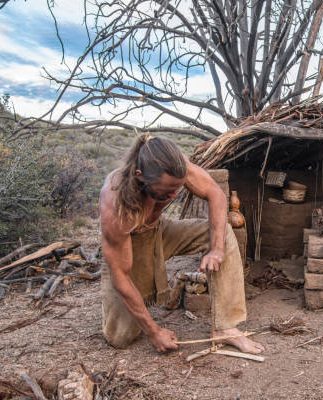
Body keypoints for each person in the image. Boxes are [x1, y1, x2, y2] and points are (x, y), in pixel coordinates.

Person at [99, 134, 264, 354]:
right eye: (167, 192)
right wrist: (154, 331)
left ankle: (225, 327)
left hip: (161, 231)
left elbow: (216, 194)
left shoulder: (174, 167)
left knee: (221, 232)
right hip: (132, 243)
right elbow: (120, 276)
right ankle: (140, 314)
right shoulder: (116, 206)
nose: (175, 194)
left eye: (178, 188)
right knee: (120, 337)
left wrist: (216, 250)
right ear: (140, 176)